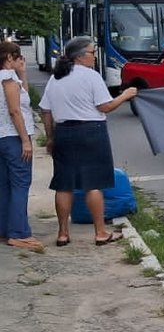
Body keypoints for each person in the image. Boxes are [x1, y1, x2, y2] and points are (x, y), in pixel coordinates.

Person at [39, 37, 137, 246]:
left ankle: (63, 233)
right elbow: (105, 107)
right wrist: (125, 95)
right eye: (93, 52)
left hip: (63, 132)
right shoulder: (91, 76)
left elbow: (45, 110)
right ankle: (100, 232)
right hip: (91, 131)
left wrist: (50, 137)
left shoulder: (56, 78)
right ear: (81, 55)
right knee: (93, 184)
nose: (94, 56)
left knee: (64, 184)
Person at [0, 43, 40, 250]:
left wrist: (22, 73)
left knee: (5, 185)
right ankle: (19, 233)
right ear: (9, 58)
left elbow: (23, 97)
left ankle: (5, 229)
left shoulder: (9, 78)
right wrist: (25, 140)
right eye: (18, 57)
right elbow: (15, 111)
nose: (21, 60)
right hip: (13, 138)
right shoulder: (8, 79)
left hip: (2, 138)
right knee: (20, 184)